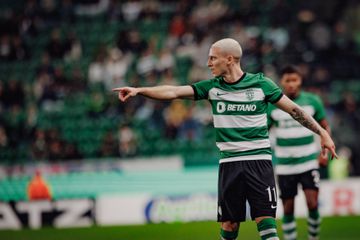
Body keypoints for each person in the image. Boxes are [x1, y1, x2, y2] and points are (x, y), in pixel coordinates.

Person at [113, 38, 337, 240]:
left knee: (266, 222)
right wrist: (139, 90)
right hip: (230, 163)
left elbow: (295, 110)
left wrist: (323, 133)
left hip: (259, 161)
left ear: (229, 59)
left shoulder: (261, 84)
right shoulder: (212, 88)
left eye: (213, 58)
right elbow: (173, 92)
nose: (209, 63)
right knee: (229, 225)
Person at [268, 65, 331, 240]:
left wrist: (323, 153)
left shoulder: (312, 101)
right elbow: (264, 131)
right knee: (288, 209)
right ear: (282, 82)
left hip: (308, 162)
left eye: (294, 80)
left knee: (312, 203)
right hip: (285, 166)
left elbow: (325, 127)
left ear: (300, 81)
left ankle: (313, 238)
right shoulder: (273, 105)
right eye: (287, 80)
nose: (291, 84)